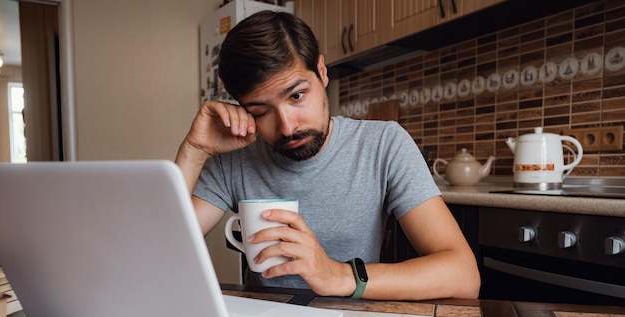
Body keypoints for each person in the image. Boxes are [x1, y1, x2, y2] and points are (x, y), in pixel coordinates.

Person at [175, 10, 480, 300]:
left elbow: (463, 277)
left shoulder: (383, 144)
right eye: (260, 111)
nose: (287, 126)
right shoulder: (234, 158)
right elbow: (161, 252)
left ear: (321, 72)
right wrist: (194, 152)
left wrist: (338, 276)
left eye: (296, 96)